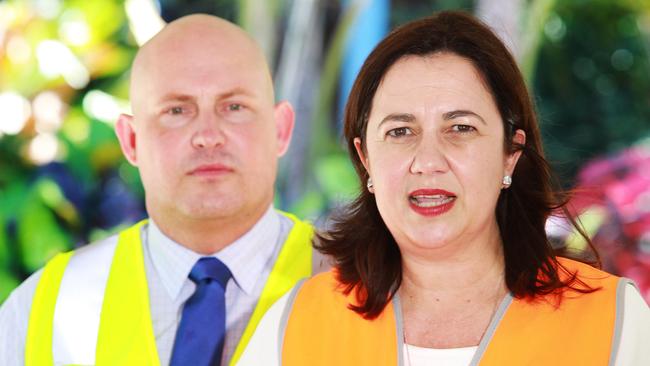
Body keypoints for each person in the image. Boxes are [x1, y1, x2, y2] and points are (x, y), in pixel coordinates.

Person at [240, 11, 650, 366]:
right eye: (400, 131)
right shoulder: (296, 325)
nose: (428, 161)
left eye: (460, 128)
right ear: (366, 160)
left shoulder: (612, 320)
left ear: (511, 152)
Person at [0, 14, 324, 366]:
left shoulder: (364, 289)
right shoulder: (46, 308)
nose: (208, 136)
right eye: (177, 110)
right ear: (131, 140)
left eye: (234, 107)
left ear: (280, 129)